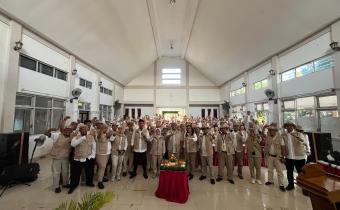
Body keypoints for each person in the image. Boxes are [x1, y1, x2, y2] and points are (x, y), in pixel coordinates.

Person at [46, 117, 74, 193]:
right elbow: (46, 134)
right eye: (66, 130)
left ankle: (65, 184)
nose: (68, 131)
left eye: (69, 130)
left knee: (65, 171)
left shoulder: (72, 138)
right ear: (63, 130)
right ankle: (56, 186)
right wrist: (50, 130)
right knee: (56, 172)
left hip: (66, 157)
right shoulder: (57, 135)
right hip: (57, 157)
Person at [68, 124, 96, 194]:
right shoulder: (76, 137)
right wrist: (82, 138)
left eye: (85, 129)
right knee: (75, 173)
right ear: (80, 130)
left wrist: (92, 156)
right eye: (82, 129)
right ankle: (73, 186)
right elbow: (73, 144)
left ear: (87, 130)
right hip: (78, 158)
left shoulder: (91, 137)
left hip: (88, 157)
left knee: (89, 172)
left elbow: (94, 147)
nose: (84, 130)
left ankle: (89, 183)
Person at [282, 121, 308, 191]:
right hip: (289, 157)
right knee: (289, 172)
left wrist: (299, 138)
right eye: (287, 126)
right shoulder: (283, 135)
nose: (289, 127)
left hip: (299, 157)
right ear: (285, 127)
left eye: (290, 125)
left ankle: (304, 187)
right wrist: (283, 156)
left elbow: (305, 142)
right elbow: (282, 146)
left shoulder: (299, 134)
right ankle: (291, 185)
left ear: (293, 126)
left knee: (301, 172)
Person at [264, 124, 286, 192]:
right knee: (269, 169)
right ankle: (270, 181)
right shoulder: (268, 137)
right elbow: (263, 138)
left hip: (278, 157)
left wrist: (283, 157)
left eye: (272, 130)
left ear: (275, 131)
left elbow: (283, 147)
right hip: (270, 156)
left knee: (279, 171)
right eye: (270, 130)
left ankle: (281, 184)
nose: (271, 132)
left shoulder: (280, 138)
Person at [95, 124, 111, 189]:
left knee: (103, 167)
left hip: (107, 153)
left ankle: (102, 177)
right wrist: (101, 129)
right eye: (104, 128)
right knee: (102, 167)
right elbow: (99, 136)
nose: (105, 129)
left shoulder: (106, 134)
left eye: (106, 128)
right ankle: (100, 182)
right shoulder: (98, 134)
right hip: (101, 154)